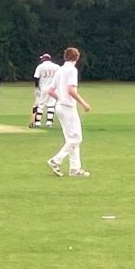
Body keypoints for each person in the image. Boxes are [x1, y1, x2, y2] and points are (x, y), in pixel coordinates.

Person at [46, 46, 92, 177]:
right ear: (76, 58)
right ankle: (56, 160)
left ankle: (75, 169)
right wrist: (83, 103)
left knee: (71, 139)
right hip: (68, 107)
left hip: (59, 106)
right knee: (76, 138)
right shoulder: (72, 70)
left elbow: (50, 90)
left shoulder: (60, 70)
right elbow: (71, 90)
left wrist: (60, 97)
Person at [32, 53, 59, 128]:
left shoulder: (40, 67)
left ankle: (37, 122)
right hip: (53, 89)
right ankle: (49, 122)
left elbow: (36, 78)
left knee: (40, 105)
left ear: (44, 59)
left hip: (43, 88)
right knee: (51, 105)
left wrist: (36, 87)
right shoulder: (56, 67)